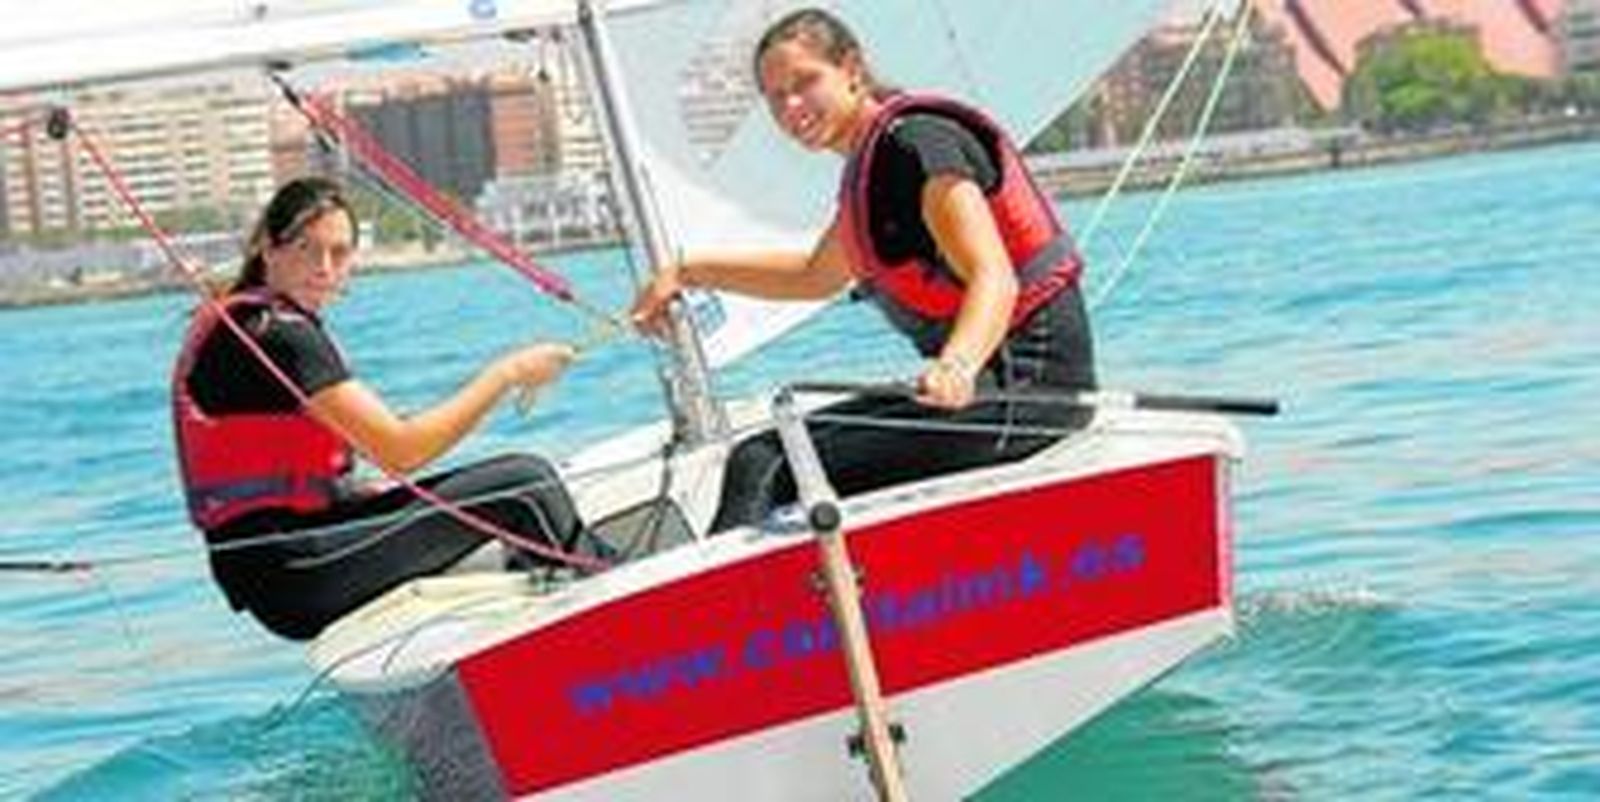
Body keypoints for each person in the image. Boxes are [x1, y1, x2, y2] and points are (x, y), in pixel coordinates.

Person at [630, 8, 1096, 531]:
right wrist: (687, 271)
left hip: (1028, 391)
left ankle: (705, 607)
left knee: (772, 466)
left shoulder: (918, 144)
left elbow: (994, 275)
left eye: (805, 82)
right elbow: (815, 275)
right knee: (763, 453)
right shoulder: (872, 166)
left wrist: (957, 366)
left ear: (852, 69)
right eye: (775, 96)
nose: (791, 106)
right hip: (990, 391)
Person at [173, 176, 596, 640]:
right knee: (525, 484)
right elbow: (402, 451)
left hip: (286, 572)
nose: (324, 267)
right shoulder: (279, 334)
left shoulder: (248, 322)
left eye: (340, 252)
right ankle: (618, 625)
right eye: (306, 249)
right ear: (267, 251)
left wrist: (347, 492)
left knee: (512, 520)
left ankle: (557, 628)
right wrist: (509, 373)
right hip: (299, 571)